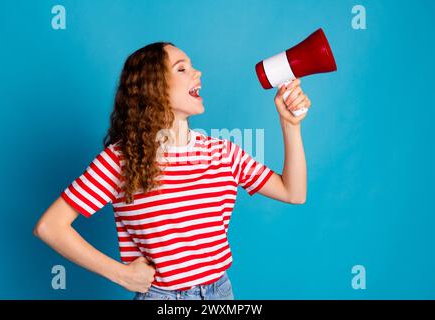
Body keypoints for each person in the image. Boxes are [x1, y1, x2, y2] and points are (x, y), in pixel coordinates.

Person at [33, 42, 311, 300]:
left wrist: (291, 125)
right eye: (182, 68)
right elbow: (50, 227)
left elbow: (293, 192)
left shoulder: (222, 153)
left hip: (220, 293)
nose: (198, 72)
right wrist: (121, 274)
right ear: (153, 87)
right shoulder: (120, 161)